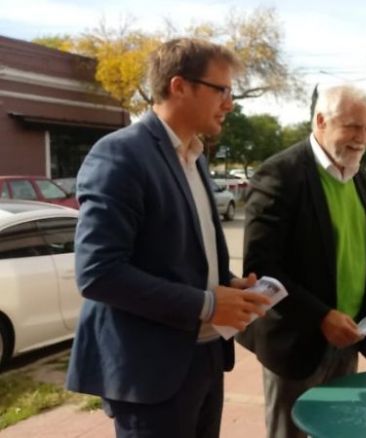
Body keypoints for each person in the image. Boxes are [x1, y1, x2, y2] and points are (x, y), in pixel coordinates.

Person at [66, 38, 270, 438]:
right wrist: (209, 303)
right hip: (151, 373)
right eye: (221, 90)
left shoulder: (194, 155)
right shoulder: (120, 154)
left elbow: (179, 254)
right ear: (179, 86)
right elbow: (98, 273)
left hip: (205, 358)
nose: (230, 103)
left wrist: (228, 287)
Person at [237, 84, 366, 438]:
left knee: (343, 432)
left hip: (348, 337)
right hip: (297, 344)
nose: (361, 138)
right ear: (320, 121)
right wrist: (321, 316)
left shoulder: (356, 173)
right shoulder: (279, 174)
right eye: (352, 127)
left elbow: (362, 248)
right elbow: (261, 269)